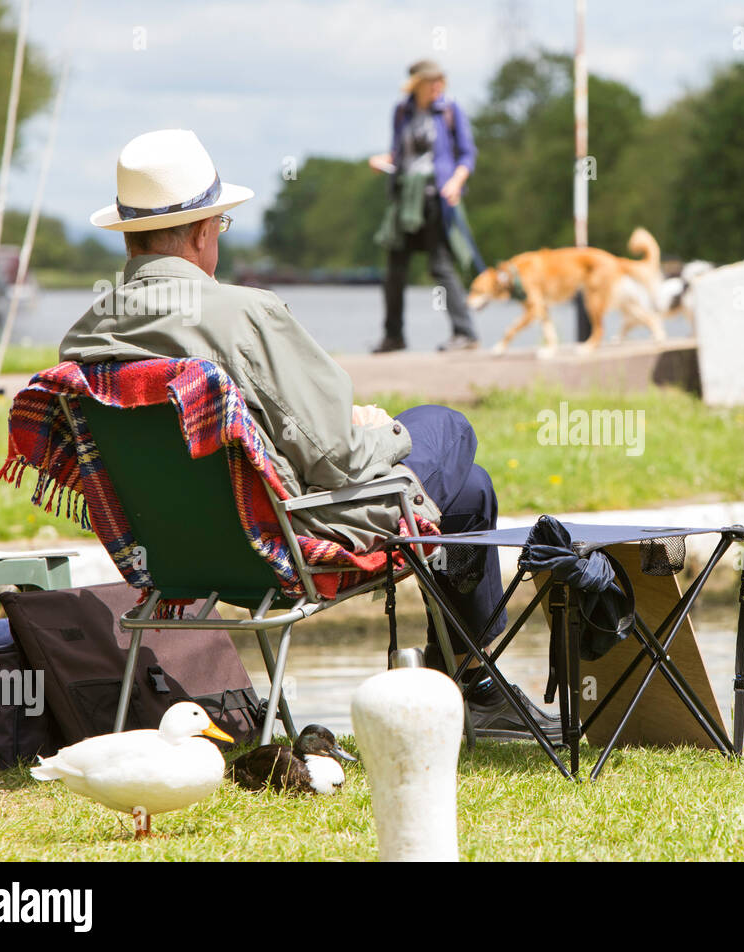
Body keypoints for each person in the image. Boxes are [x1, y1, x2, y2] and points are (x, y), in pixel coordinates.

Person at [60, 129, 558, 739]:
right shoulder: (246, 314)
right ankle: (474, 688)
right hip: (287, 542)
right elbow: (339, 462)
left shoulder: (85, 339)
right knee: (448, 429)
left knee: (471, 493)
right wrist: (384, 431)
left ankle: (474, 687)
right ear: (200, 232)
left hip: (173, 557)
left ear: (128, 235)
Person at [370, 59, 480, 353]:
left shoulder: (449, 111)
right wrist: (383, 161)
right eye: (432, 81)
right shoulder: (402, 112)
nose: (438, 86)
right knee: (395, 270)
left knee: (440, 266)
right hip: (405, 201)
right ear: (417, 84)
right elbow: (399, 153)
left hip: (436, 200)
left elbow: (467, 154)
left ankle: (465, 333)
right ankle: (394, 336)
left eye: (440, 80)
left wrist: (456, 182)